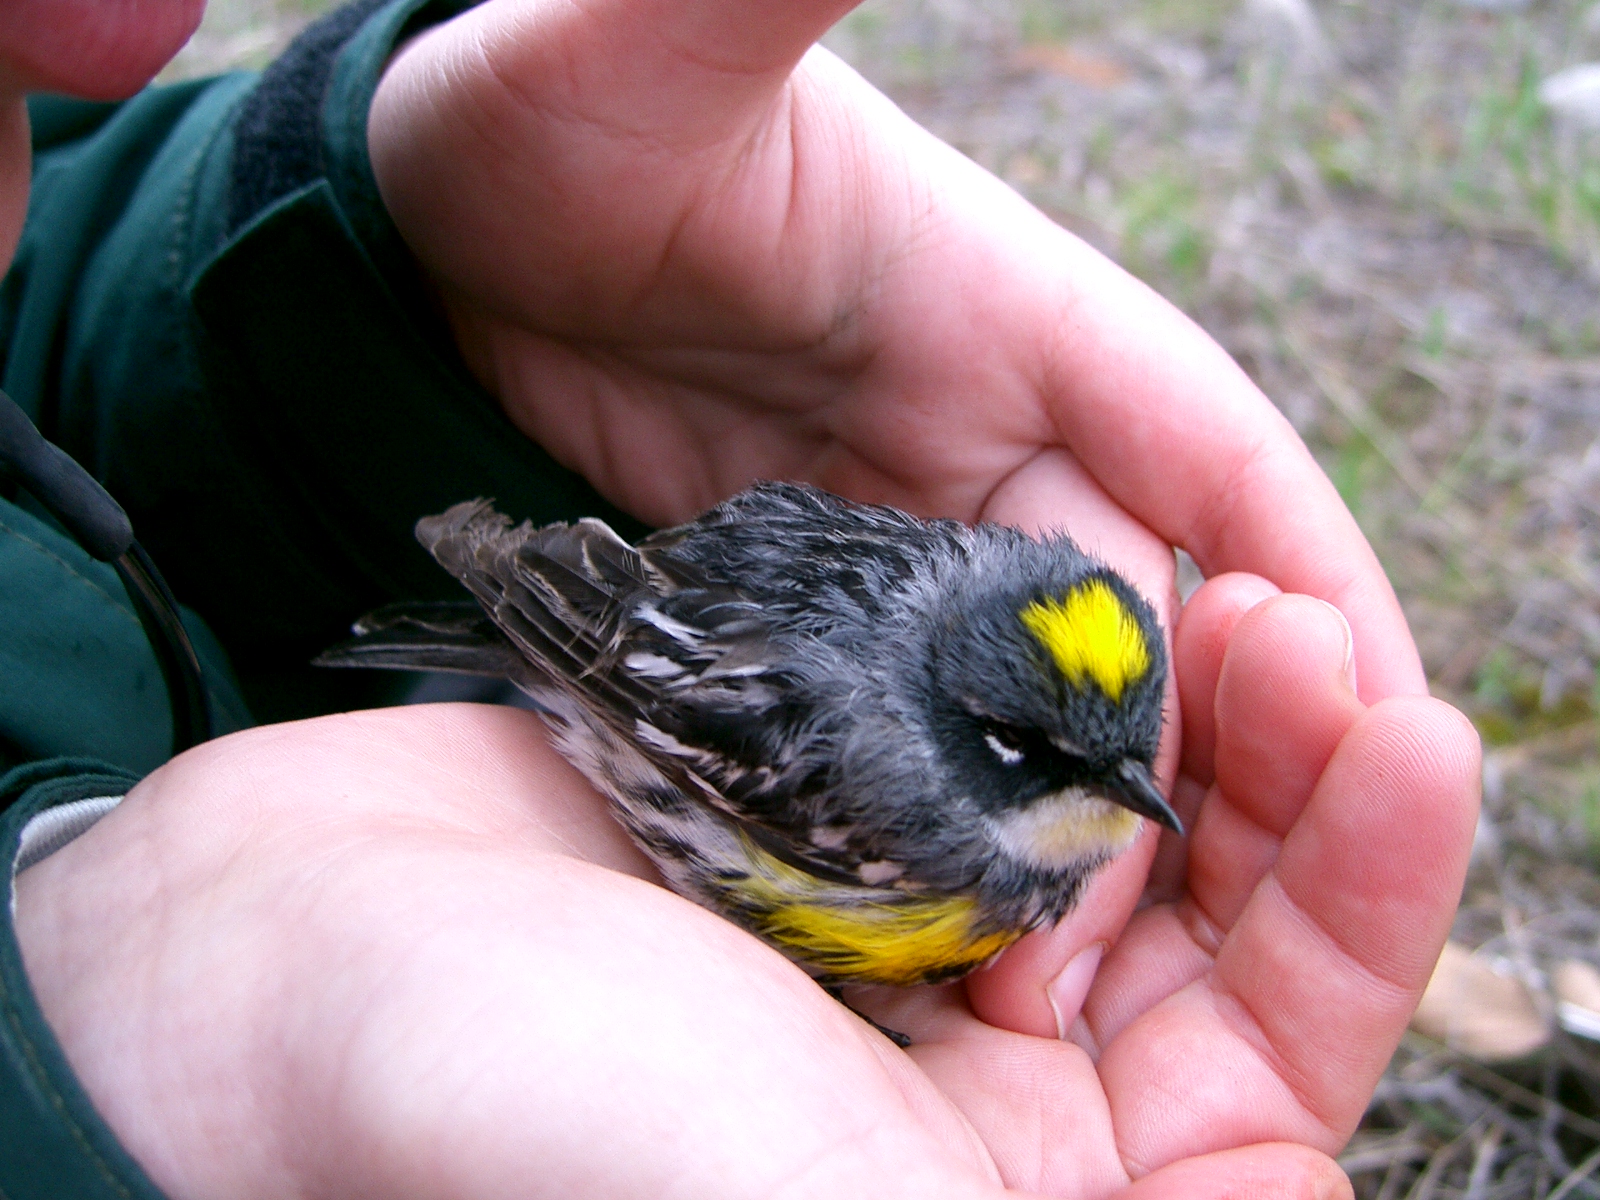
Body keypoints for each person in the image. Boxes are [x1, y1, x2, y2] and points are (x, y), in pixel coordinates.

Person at [0, 0, 1480, 1196]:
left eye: (1123, 751)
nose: (1131, 801)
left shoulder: (1013, 760)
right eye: (1055, 762)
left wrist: (409, 273)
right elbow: (670, 678)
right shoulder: (909, 813)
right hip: (637, 664)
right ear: (975, 732)